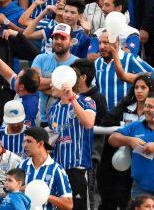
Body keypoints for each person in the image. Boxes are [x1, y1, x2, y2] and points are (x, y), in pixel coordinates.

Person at [108, 90, 154, 203]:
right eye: (146, 105)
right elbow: (112, 139)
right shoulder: (136, 125)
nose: (146, 109)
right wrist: (129, 140)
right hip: (139, 187)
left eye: (151, 107)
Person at [46, 66, 96, 210]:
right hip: (58, 168)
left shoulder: (86, 100)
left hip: (77, 167)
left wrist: (72, 99)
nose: (50, 85)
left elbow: (88, 123)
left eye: (53, 81)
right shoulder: (52, 110)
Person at [19, 127, 74, 210]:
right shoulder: (21, 165)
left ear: (41, 143)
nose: (25, 145)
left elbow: (69, 204)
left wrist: (43, 195)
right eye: (24, 141)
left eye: (29, 141)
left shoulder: (57, 170)